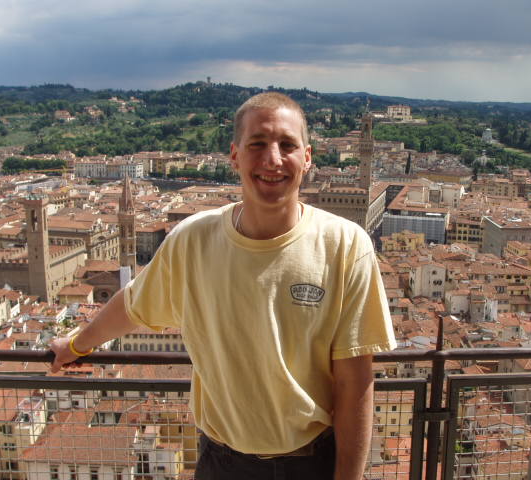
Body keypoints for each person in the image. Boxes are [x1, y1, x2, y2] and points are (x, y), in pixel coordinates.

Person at [50, 92, 396, 480]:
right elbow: (132, 306)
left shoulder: (346, 245)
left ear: (308, 157)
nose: (273, 159)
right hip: (220, 462)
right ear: (234, 156)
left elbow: (355, 381)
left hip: (310, 463)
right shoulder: (192, 239)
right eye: (258, 144)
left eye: (287, 145)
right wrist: (78, 344)